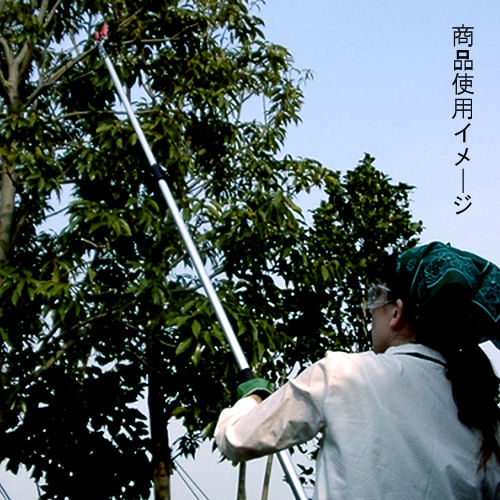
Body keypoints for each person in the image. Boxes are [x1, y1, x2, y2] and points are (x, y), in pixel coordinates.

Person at [215, 241, 500, 499]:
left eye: (377, 298)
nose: (371, 311)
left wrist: (252, 398)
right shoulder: (485, 421)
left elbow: (235, 439)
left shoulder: (342, 374)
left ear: (397, 312)